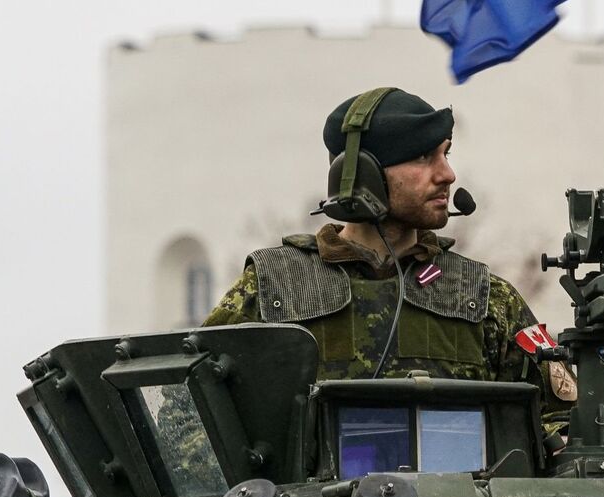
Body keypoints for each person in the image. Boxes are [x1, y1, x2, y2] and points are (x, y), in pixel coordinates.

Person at [201, 87, 577, 413]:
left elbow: (561, 425)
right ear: (362, 175)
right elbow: (192, 419)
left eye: (446, 154)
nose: (447, 174)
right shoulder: (273, 289)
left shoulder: (486, 298)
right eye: (423, 157)